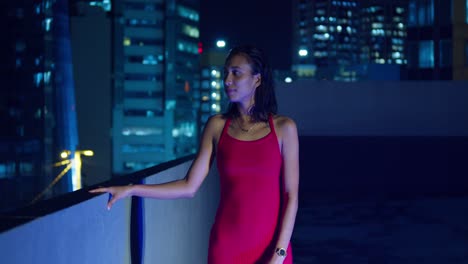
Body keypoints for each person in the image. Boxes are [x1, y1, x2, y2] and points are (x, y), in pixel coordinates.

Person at [90, 45, 299, 264]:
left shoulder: (284, 128)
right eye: (225, 73)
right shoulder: (217, 126)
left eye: (236, 73)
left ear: (257, 79)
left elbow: (291, 195)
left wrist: (279, 256)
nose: (227, 80)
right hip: (226, 248)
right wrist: (131, 189)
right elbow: (189, 186)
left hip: (273, 249)